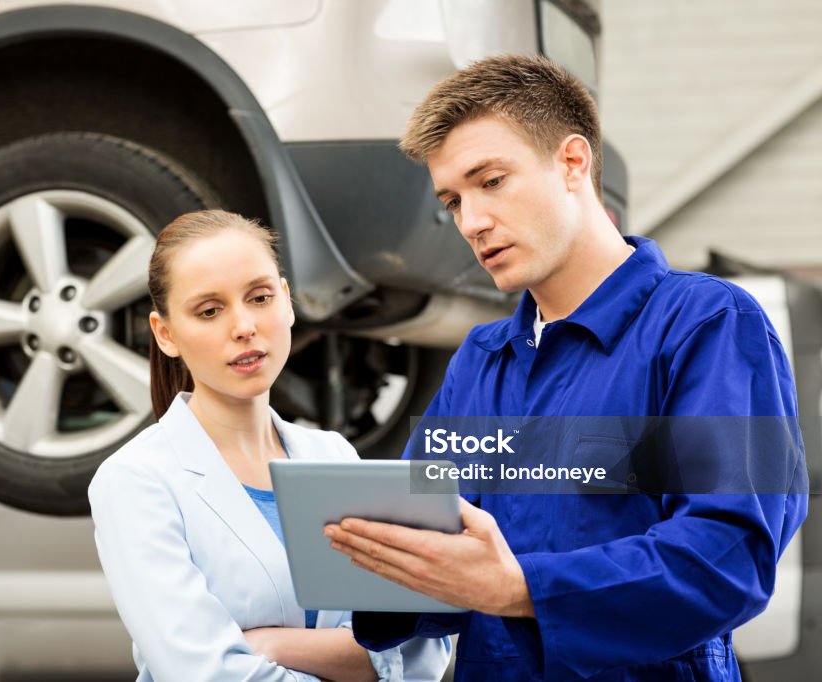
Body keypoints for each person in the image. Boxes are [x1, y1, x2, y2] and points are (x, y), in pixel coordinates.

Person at [324, 55, 808, 680]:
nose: (471, 222)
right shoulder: (480, 362)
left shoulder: (707, 325)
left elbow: (729, 557)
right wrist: (366, 563)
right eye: (452, 201)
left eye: (491, 181)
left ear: (573, 163)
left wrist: (519, 587)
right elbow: (438, 561)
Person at [88, 209, 450, 682]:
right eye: (209, 311)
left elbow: (423, 648)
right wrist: (362, 660)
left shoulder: (334, 456)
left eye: (259, 297)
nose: (243, 326)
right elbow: (205, 673)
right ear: (166, 334)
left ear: (287, 300)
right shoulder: (135, 480)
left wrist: (271, 645)